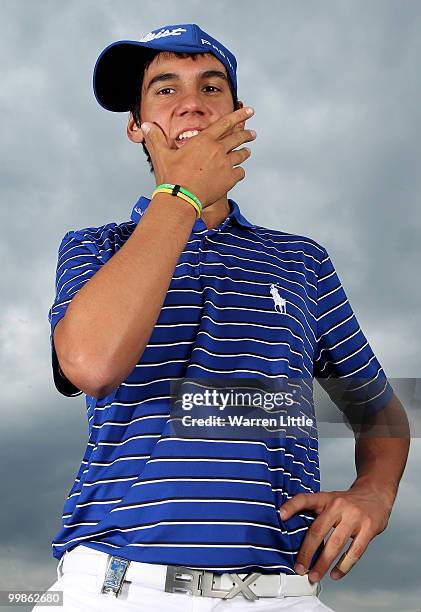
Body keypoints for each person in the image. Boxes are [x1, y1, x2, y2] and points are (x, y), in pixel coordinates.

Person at [35, 23, 410, 612]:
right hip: (116, 585)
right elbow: (91, 362)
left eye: (212, 88)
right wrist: (181, 194)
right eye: (164, 89)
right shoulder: (95, 248)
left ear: (238, 117)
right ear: (135, 125)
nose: (191, 102)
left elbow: (380, 411)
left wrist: (375, 492)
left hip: (278, 591)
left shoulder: (302, 260)